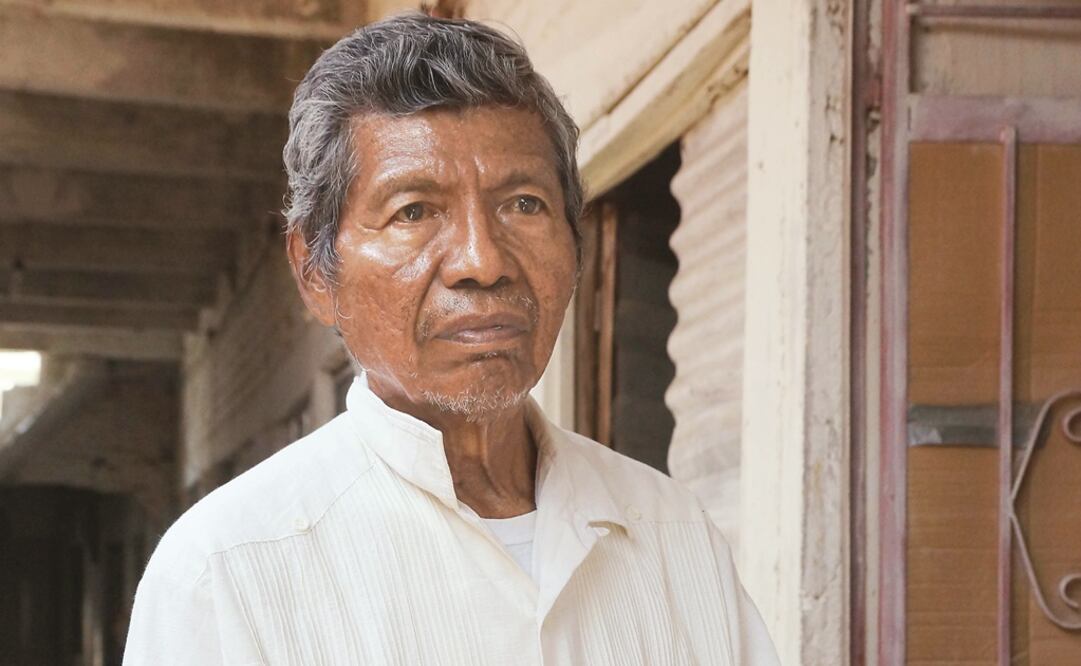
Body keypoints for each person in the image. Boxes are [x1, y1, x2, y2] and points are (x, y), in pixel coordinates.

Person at [124, 13, 779, 665]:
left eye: (523, 204)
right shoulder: (225, 572)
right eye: (413, 211)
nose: (482, 261)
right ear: (316, 273)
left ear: (574, 245)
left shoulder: (674, 535)